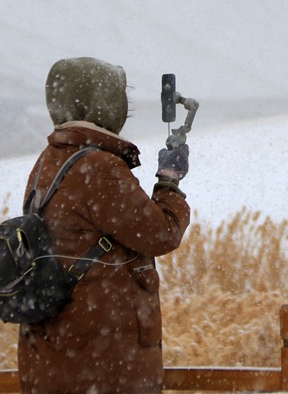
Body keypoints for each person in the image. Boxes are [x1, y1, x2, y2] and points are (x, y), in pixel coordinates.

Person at [18, 57, 191, 394]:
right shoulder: (98, 167)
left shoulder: (49, 161)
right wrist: (169, 180)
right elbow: (160, 233)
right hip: (104, 363)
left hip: (57, 355)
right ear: (106, 105)